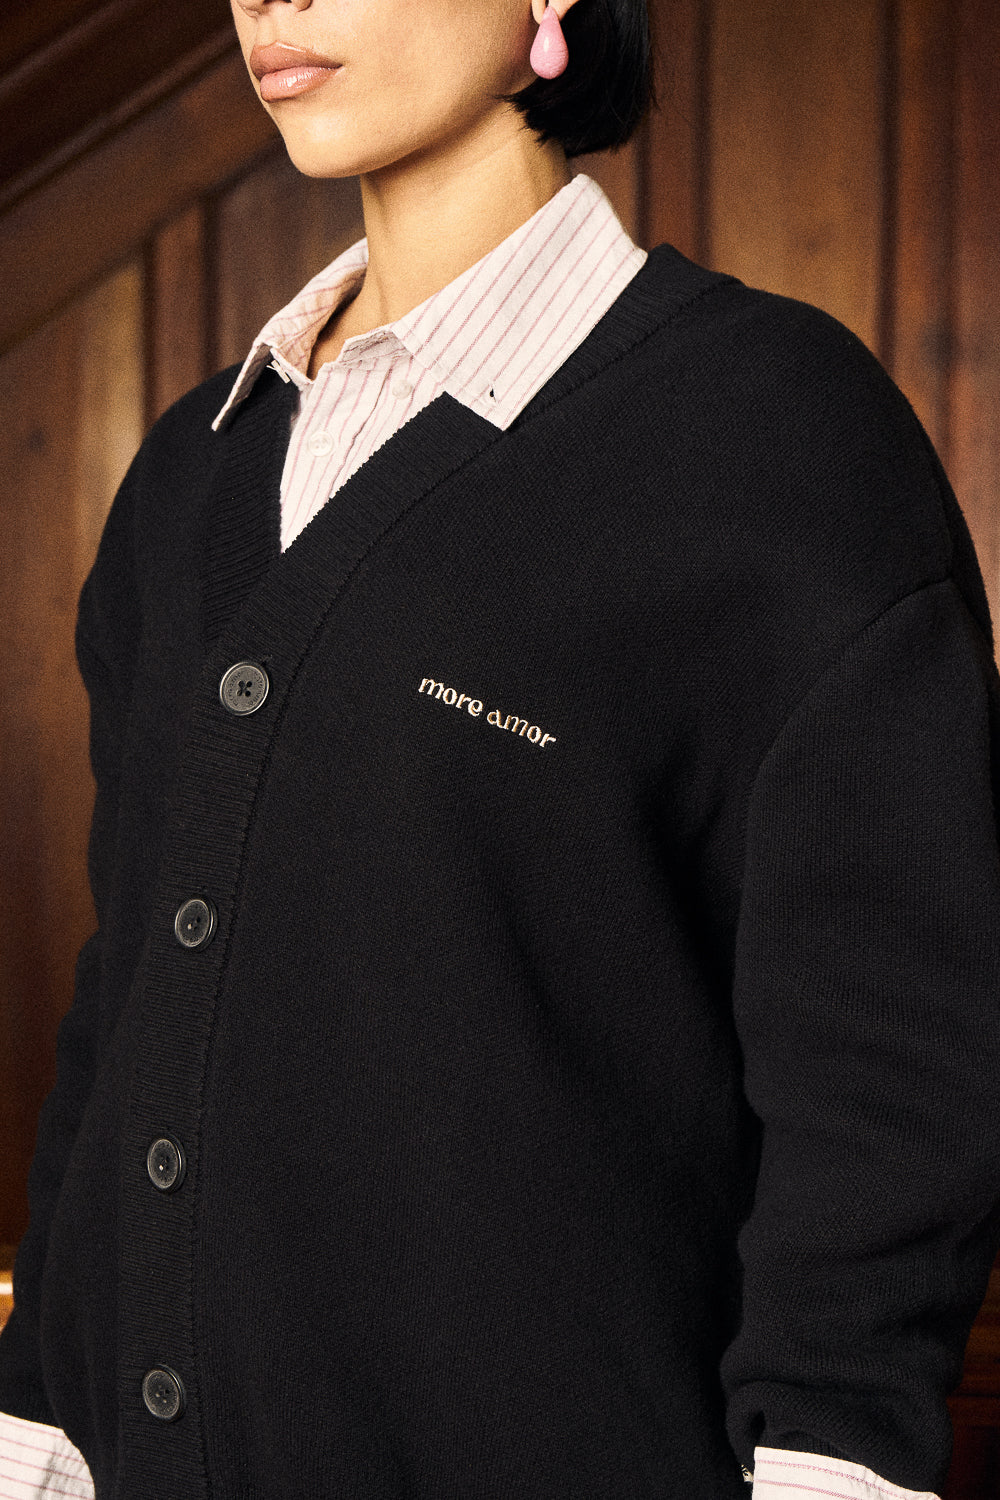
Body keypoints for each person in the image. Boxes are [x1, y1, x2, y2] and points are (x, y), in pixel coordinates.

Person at [1, 0, 999, 1495]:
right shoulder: (191, 473)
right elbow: (131, 1001)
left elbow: (891, 1086)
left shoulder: (779, 437)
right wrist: (32, 1428)